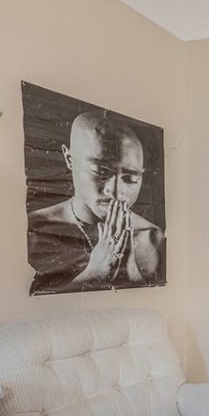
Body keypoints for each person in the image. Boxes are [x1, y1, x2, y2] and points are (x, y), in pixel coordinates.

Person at [27, 112, 164, 294]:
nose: (115, 191)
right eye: (100, 172)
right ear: (70, 160)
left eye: (130, 178)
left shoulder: (151, 235)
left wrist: (133, 273)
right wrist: (92, 274)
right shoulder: (35, 228)